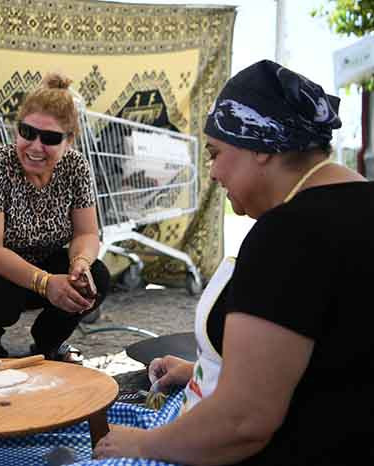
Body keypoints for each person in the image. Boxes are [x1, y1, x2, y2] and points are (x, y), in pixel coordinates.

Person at [93, 60, 374, 465]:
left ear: (260, 147)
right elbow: (336, 358)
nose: (213, 173)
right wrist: (203, 372)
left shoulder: (289, 235)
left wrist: (141, 445)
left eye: (216, 153)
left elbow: (242, 422)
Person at [0, 73, 110, 362]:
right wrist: (46, 282)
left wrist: (80, 265)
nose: (35, 146)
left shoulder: (77, 167)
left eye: (50, 138)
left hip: (42, 261)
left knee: (97, 277)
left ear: (69, 141)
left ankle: (48, 344)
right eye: (27, 133)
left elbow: (87, 234)